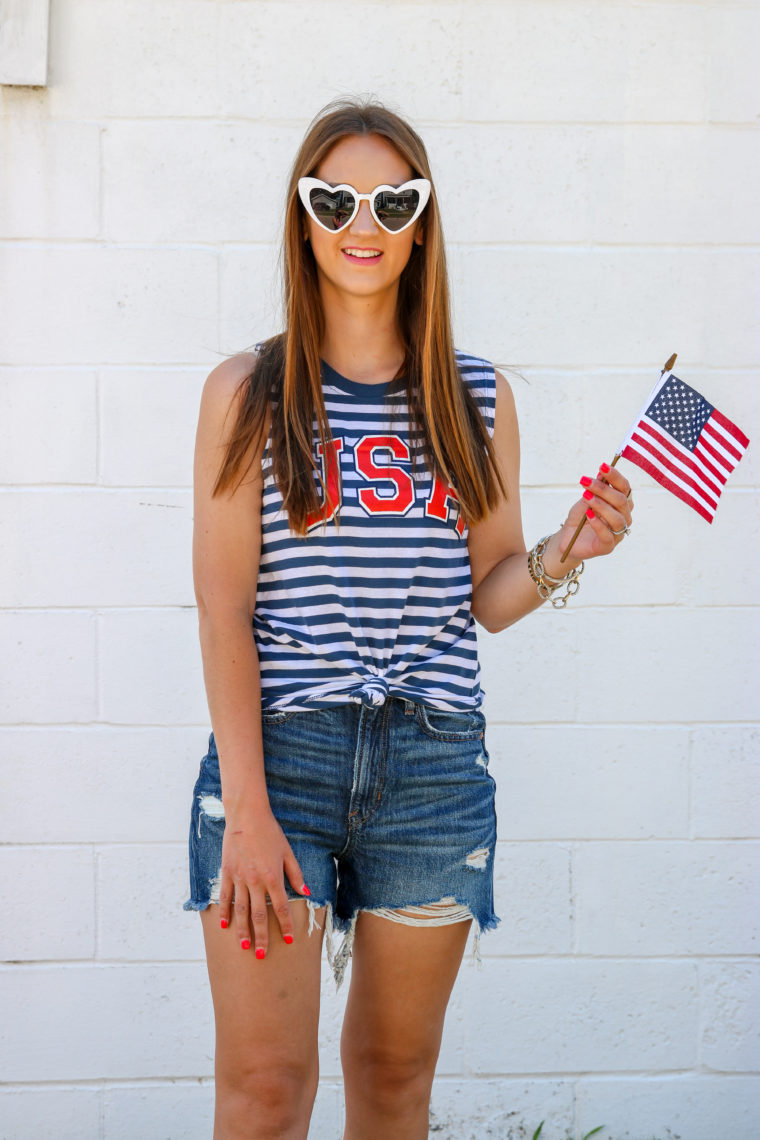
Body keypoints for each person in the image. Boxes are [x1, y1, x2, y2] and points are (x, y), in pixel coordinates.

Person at [182, 96, 634, 1140]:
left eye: (394, 200)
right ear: (302, 218)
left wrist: (568, 550)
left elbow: (491, 595)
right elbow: (222, 612)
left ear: (422, 223)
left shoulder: (474, 398)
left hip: (431, 770)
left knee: (391, 1084)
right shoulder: (246, 393)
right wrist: (244, 811)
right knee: (262, 1091)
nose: (364, 221)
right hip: (281, 761)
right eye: (336, 197)